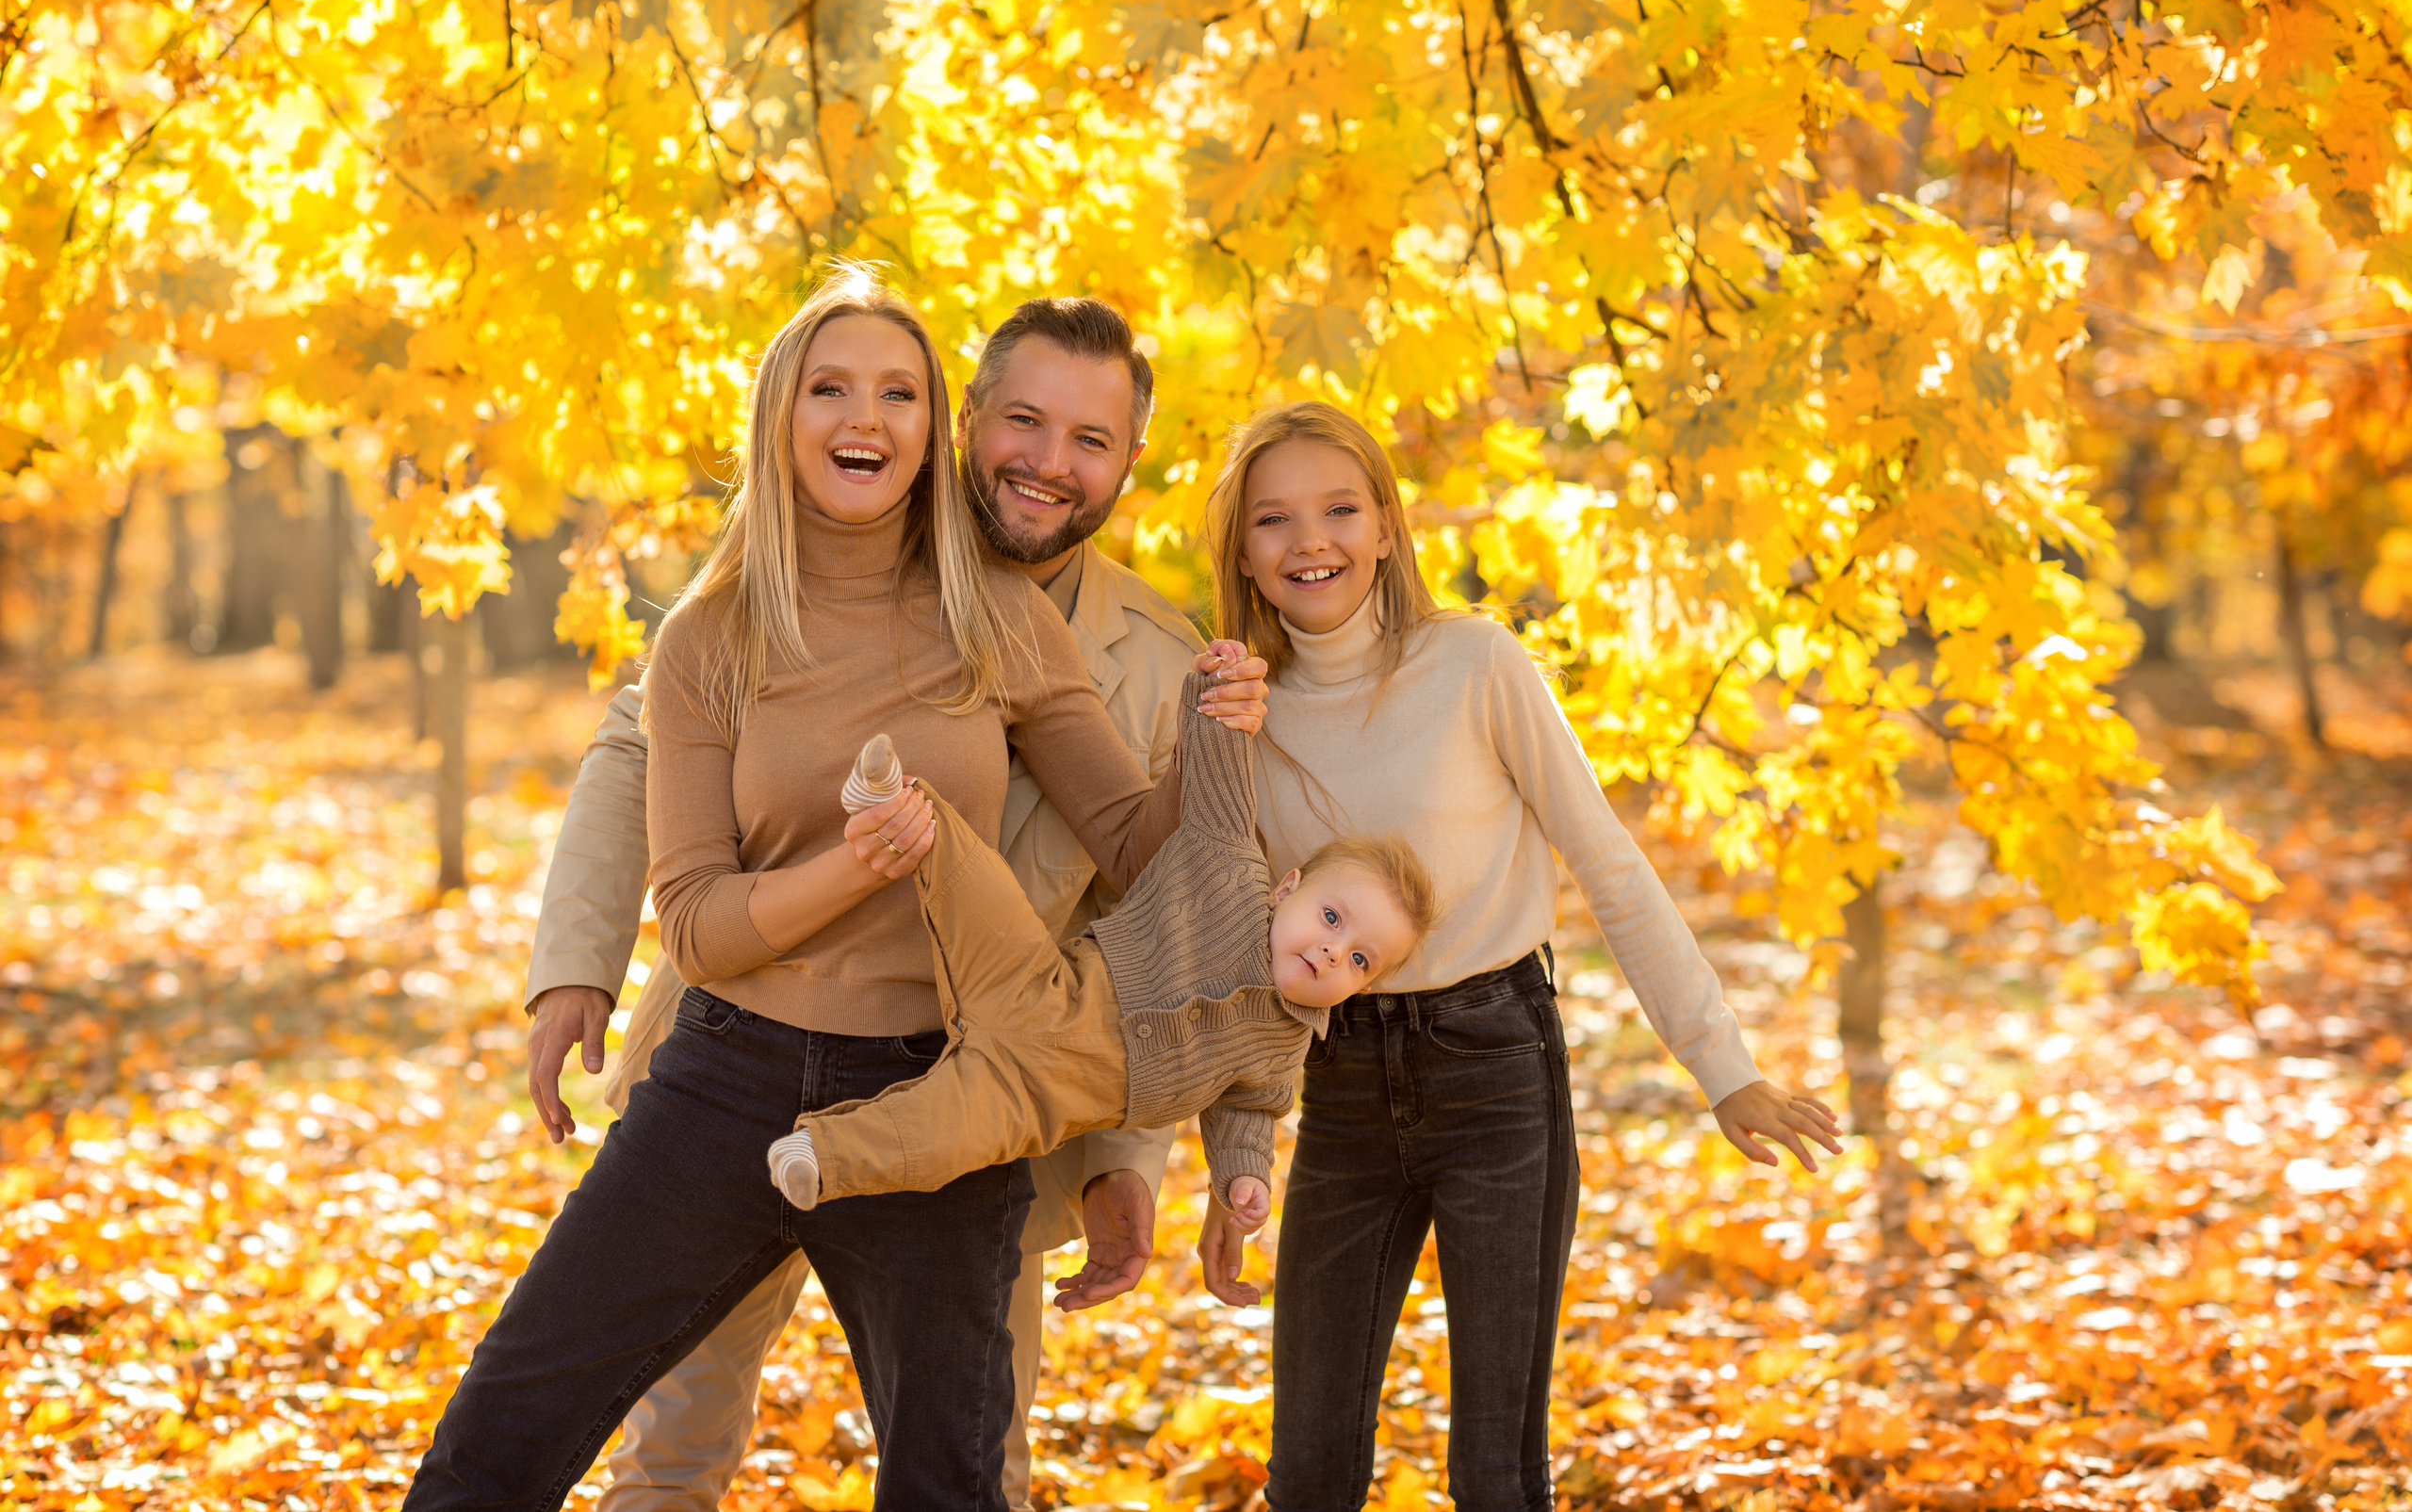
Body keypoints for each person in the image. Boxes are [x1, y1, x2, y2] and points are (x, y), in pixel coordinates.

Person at [403, 269, 1263, 1512]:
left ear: (928, 429)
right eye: (833, 388)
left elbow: (1136, 844)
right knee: (501, 1438)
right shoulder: (709, 634)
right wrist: (843, 869)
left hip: (940, 1093)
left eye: (895, 391)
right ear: (786, 414)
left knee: (952, 1486)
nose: (866, 415)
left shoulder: (1005, 617)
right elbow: (693, 916)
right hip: (724, 1079)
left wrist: (1211, 742)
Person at [1188, 401, 1845, 1512]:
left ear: (1388, 526)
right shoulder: (1245, 715)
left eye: (1341, 508)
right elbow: (1252, 966)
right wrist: (1234, 1151)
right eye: (1274, 519)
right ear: (1243, 553)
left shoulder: (1474, 663)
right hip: (1341, 1088)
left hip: (1495, 1071)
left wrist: (1719, 1063)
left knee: (1495, 1468)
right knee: (1307, 1469)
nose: (1312, 540)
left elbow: (1609, 860)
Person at [767, 659, 1435, 1223]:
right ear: (1288, 887)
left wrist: (1243, 1177)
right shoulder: (1229, 868)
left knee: (942, 1138)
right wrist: (1217, 690)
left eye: (1357, 959)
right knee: (976, 884)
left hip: (1038, 1098)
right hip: (1039, 983)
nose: (1331, 952)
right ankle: (893, 801)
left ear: (1363, 985)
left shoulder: (1285, 1045)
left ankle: (821, 1156)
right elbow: (1219, 783)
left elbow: (1247, 1113)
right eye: (1331, 917)